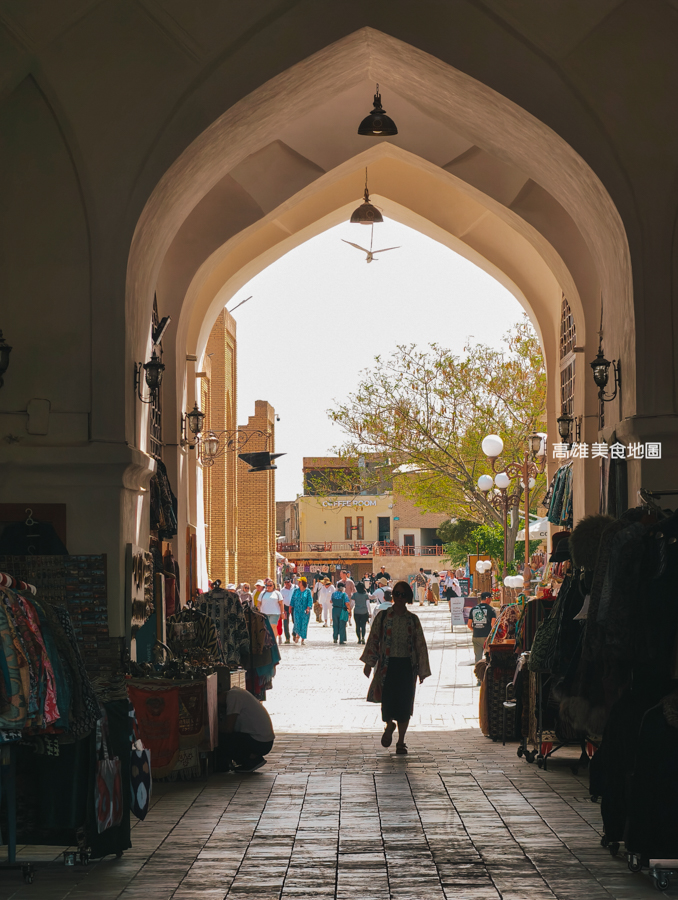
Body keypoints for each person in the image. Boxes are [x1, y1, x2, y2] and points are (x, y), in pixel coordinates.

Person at [361, 581, 431, 756]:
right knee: (388, 701)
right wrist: (369, 663)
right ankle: (389, 723)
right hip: (387, 665)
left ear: (408, 597)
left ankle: (401, 741)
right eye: (396, 594)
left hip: (407, 666)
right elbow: (374, 639)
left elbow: (420, 645)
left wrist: (422, 670)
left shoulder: (412, 620)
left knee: (405, 704)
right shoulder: (384, 617)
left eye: (403, 594)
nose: (399, 598)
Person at [218, 686, 275, 773]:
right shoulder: (237, 692)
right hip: (264, 741)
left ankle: (250, 760)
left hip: (261, 742)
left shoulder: (233, 697)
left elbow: (228, 728)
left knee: (221, 739)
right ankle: (251, 757)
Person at [468, 591, 497, 676]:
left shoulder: (473, 609)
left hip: (476, 636)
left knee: (478, 658)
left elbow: (469, 625)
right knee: (488, 657)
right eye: (491, 598)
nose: (491, 600)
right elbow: (493, 625)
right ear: (487, 599)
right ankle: (487, 676)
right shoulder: (491, 610)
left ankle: (478, 677)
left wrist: (476, 630)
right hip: (487, 637)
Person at [291, 576, 313, 644]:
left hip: (305, 611)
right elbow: (292, 599)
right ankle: (297, 635)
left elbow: (310, 600)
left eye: (300, 582)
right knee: (297, 623)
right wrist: (290, 607)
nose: (298, 583)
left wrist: (308, 608)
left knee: (304, 624)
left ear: (303, 583)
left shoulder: (308, 591)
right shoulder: (295, 591)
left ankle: (302, 639)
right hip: (297, 610)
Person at [280, 576, 295, 643]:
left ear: (290, 581)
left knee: (295, 621)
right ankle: (287, 638)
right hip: (286, 607)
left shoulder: (295, 588)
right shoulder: (282, 590)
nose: (287, 584)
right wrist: (282, 610)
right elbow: (281, 600)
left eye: (288, 582)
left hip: (294, 607)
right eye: (285, 582)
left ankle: (294, 634)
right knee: (286, 623)